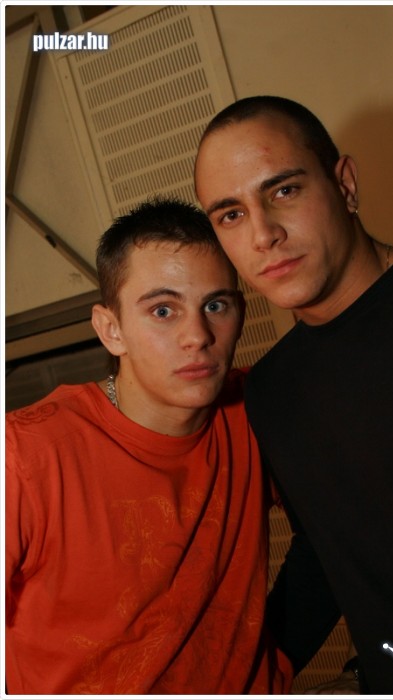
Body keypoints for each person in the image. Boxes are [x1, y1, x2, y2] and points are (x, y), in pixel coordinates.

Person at [194, 95, 393, 694]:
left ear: (344, 184)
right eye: (231, 214)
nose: (263, 235)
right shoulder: (270, 388)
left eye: (284, 190)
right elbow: (328, 549)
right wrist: (239, 674)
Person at [5, 197, 295, 695]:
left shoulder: (261, 412)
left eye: (216, 306)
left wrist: (280, 658)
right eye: (163, 310)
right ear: (111, 330)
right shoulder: (24, 454)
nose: (197, 336)